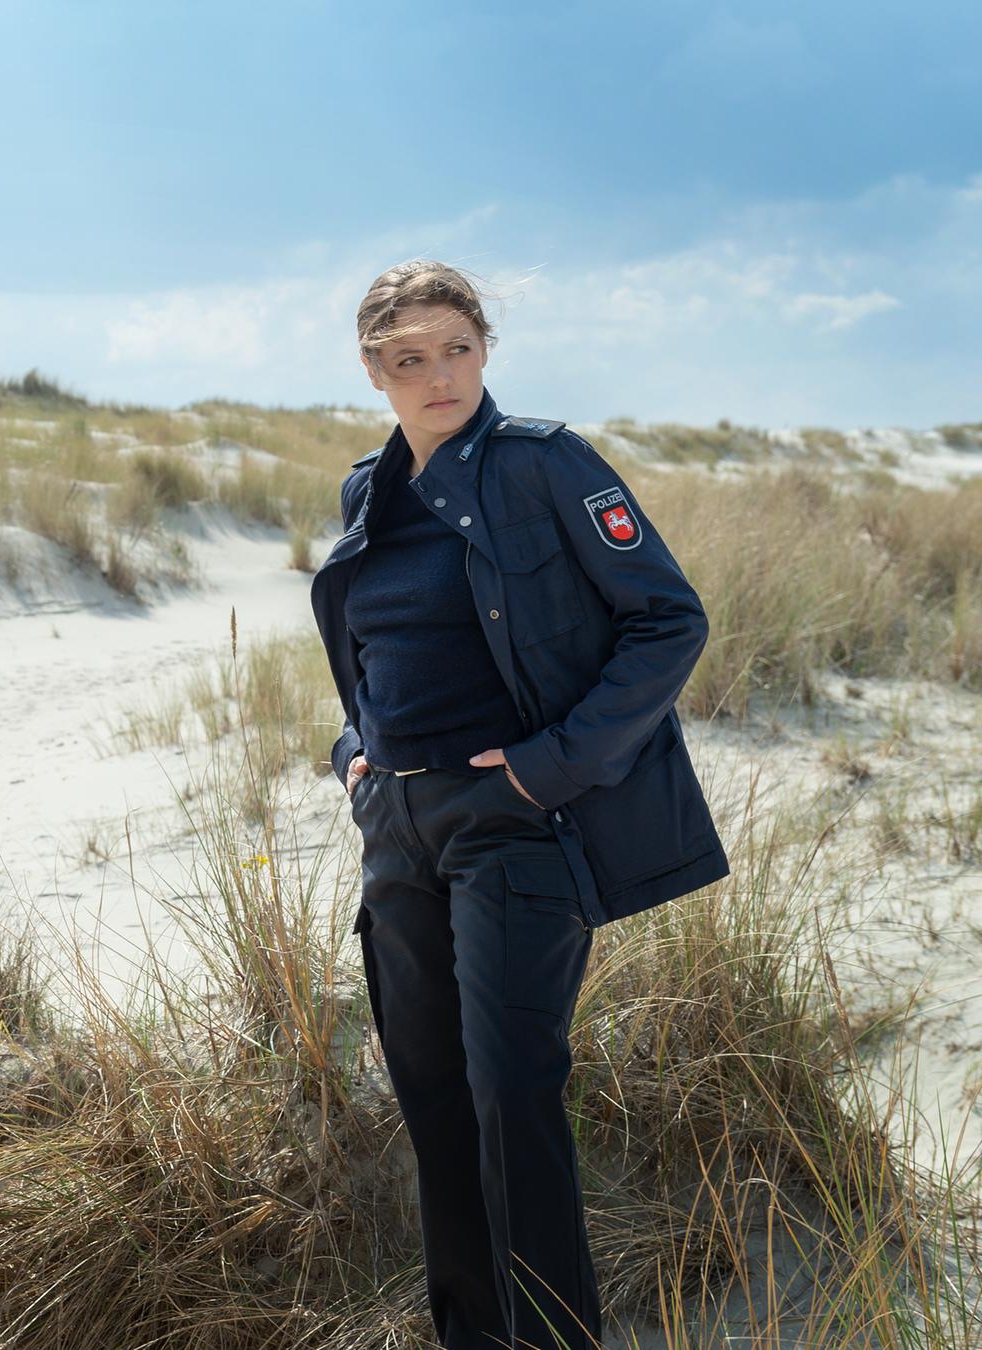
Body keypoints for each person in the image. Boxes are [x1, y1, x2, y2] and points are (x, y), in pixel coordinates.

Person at [309, 261, 730, 1349]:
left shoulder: (547, 464)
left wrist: (552, 764)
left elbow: (667, 622)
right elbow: (373, 653)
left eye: (455, 348)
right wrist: (355, 752)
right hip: (398, 830)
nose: (438, 374)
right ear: (375, 373)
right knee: (436, 1104)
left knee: (510, 1095)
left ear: (484, 348)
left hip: (514, 824)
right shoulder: (369, 490)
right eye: (410, 359)